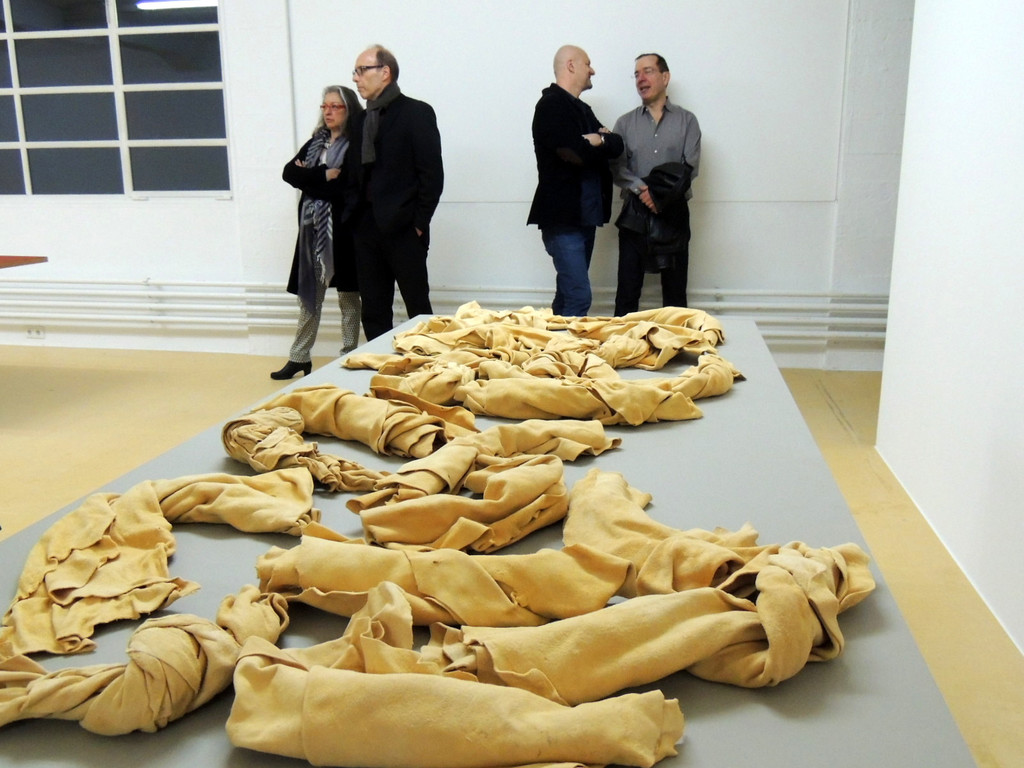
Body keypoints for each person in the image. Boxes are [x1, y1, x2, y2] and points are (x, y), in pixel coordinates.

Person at [343, 44, 444, 341]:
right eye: (355, 72)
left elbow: (431, 175)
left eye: (362, 70)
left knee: (418, 308)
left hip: (404, 228)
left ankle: (427, 362)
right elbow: (353, 175)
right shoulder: (360, 120)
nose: (356, 78)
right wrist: (354, 218)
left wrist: (418, 223)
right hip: (366, 229)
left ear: (385, 72)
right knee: (373, 310)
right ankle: (380, 363)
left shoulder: (416, 112)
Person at [271, 85, 365, 380]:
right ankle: (299, 357)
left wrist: (309, 179)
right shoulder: (316, 143)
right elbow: (288, 172)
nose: (328, 111)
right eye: (325, 106)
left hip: (344, 233)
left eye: (335, 106)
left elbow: (345, 188)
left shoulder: (356, 145)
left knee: (349, 298)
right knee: (309, 296)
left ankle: (349, 356)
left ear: (349, 110)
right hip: (313, 233)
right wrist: (322, 174)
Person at [527, 45, 623, 318]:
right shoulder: (551, 106)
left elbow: (617, 144)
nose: (592, 70)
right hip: (563, 220)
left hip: (584, 217)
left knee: (568, 294)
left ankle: (553, 343)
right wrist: (600, 140)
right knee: (579, 296)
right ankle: (566, 344)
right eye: (587, 64)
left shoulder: (581, 109)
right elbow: (573, 154)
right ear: (571, 65)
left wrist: (599, 140)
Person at [611, 53, 701, 314]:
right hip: (635, 216)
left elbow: (689, 167)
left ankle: (674, 341)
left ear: (665, 77)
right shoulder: (624, 123)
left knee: (675, 296)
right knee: (627, 293)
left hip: (673, 215)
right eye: (636, 74)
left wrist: (660, 196)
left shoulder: (687, 121)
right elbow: (617, 167)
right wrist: (642, 190)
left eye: (648, 71)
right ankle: (624, 341)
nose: (641, 78)